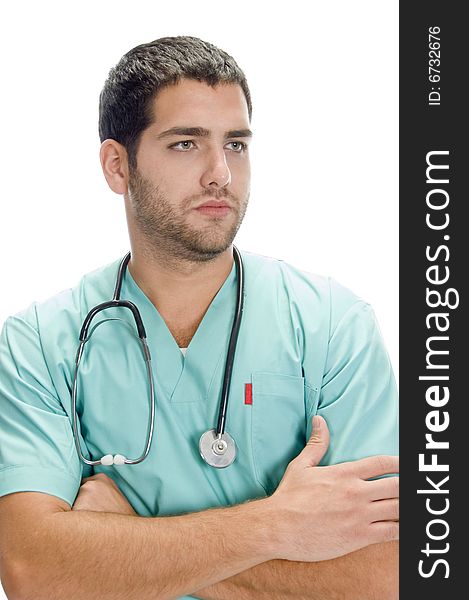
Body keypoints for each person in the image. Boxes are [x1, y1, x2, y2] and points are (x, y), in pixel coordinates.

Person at [0, 36, 398, 599]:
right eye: (186, 143)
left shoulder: (333, 326)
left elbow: (387, 575)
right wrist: (278, 528)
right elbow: (34, 571)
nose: (220, 174)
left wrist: (127, 536)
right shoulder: (40, 345)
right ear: (118, 166)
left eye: (236, 144)